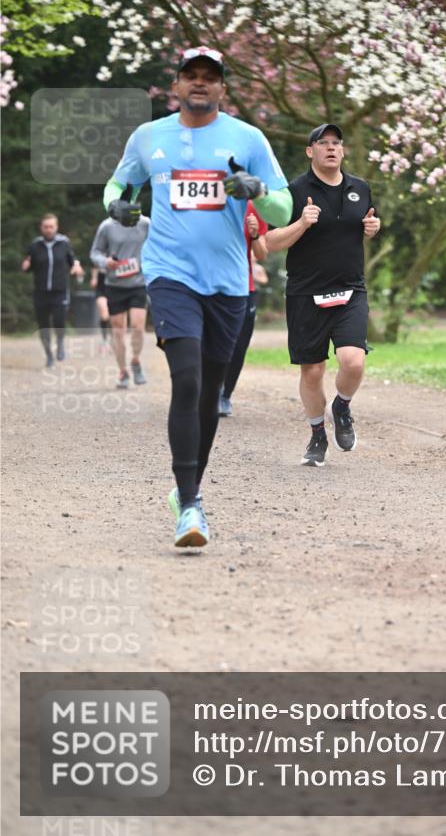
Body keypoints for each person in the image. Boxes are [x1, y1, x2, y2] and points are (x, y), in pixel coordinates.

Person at [103, 46, 292, 547]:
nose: (200, 82)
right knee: (186, 379)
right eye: (192, 75)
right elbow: (118, 185)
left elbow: (283, 205)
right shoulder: (149, 136)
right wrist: (117, 205)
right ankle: (190, 505)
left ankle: (187, 490)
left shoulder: (247, 138)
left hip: (228, 282)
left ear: (222, 88)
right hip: (170, 275)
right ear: (177, 85)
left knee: (209, 392)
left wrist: (255, 190)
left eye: (210, 76)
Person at [265, 123, 381, 466]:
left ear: (342, 150)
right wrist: (302, 223)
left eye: (336, 143)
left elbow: (366, 224)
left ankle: (341, 406)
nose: (331, 148)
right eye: (323, 142)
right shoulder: (294, 192)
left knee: (353, 361)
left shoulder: (360, 188)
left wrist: (373, 228)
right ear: (309, 151)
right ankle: (317, 435)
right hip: (306, 293)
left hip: (351, 289)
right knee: (312, 372)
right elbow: (270, 242)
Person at [218, 201, 268, 417]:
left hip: (242, 287)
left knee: (238, 346)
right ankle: (207, 390)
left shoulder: (252, 207)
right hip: (207, 286)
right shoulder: (204, 200)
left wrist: (255, 235)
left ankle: (224, 395)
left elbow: (262, 254)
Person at [90, 211, 151, 388]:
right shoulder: (107, 226)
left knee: (138, 326)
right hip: (115, 285)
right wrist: (105, 262)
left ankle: (136, 361)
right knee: (118, 331)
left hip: (138, 283)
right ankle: (123, 371)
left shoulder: (146, 223)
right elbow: (95, 252)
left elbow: (160, 243)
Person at [21, 213, 83, 366]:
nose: (48, 230)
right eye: (46, 227)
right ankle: (49, 355)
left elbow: (73, 260)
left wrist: (76, 267)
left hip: (59, 291)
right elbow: (28, 266)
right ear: (41, 228)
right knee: (43, 326)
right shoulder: (35, 246)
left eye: (51, 227)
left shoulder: (64, 243)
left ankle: (60, 344)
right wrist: (25, 266)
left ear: (56, 227)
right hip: (41, 292)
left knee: (59, 321)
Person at [90, 266, 111, 352]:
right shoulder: (100, 257)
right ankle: (104, 340)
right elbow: (95, 265)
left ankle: (114, 340)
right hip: (101, 290)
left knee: (114, 317)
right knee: (105, 315)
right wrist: (94, 278)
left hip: (115, 290)